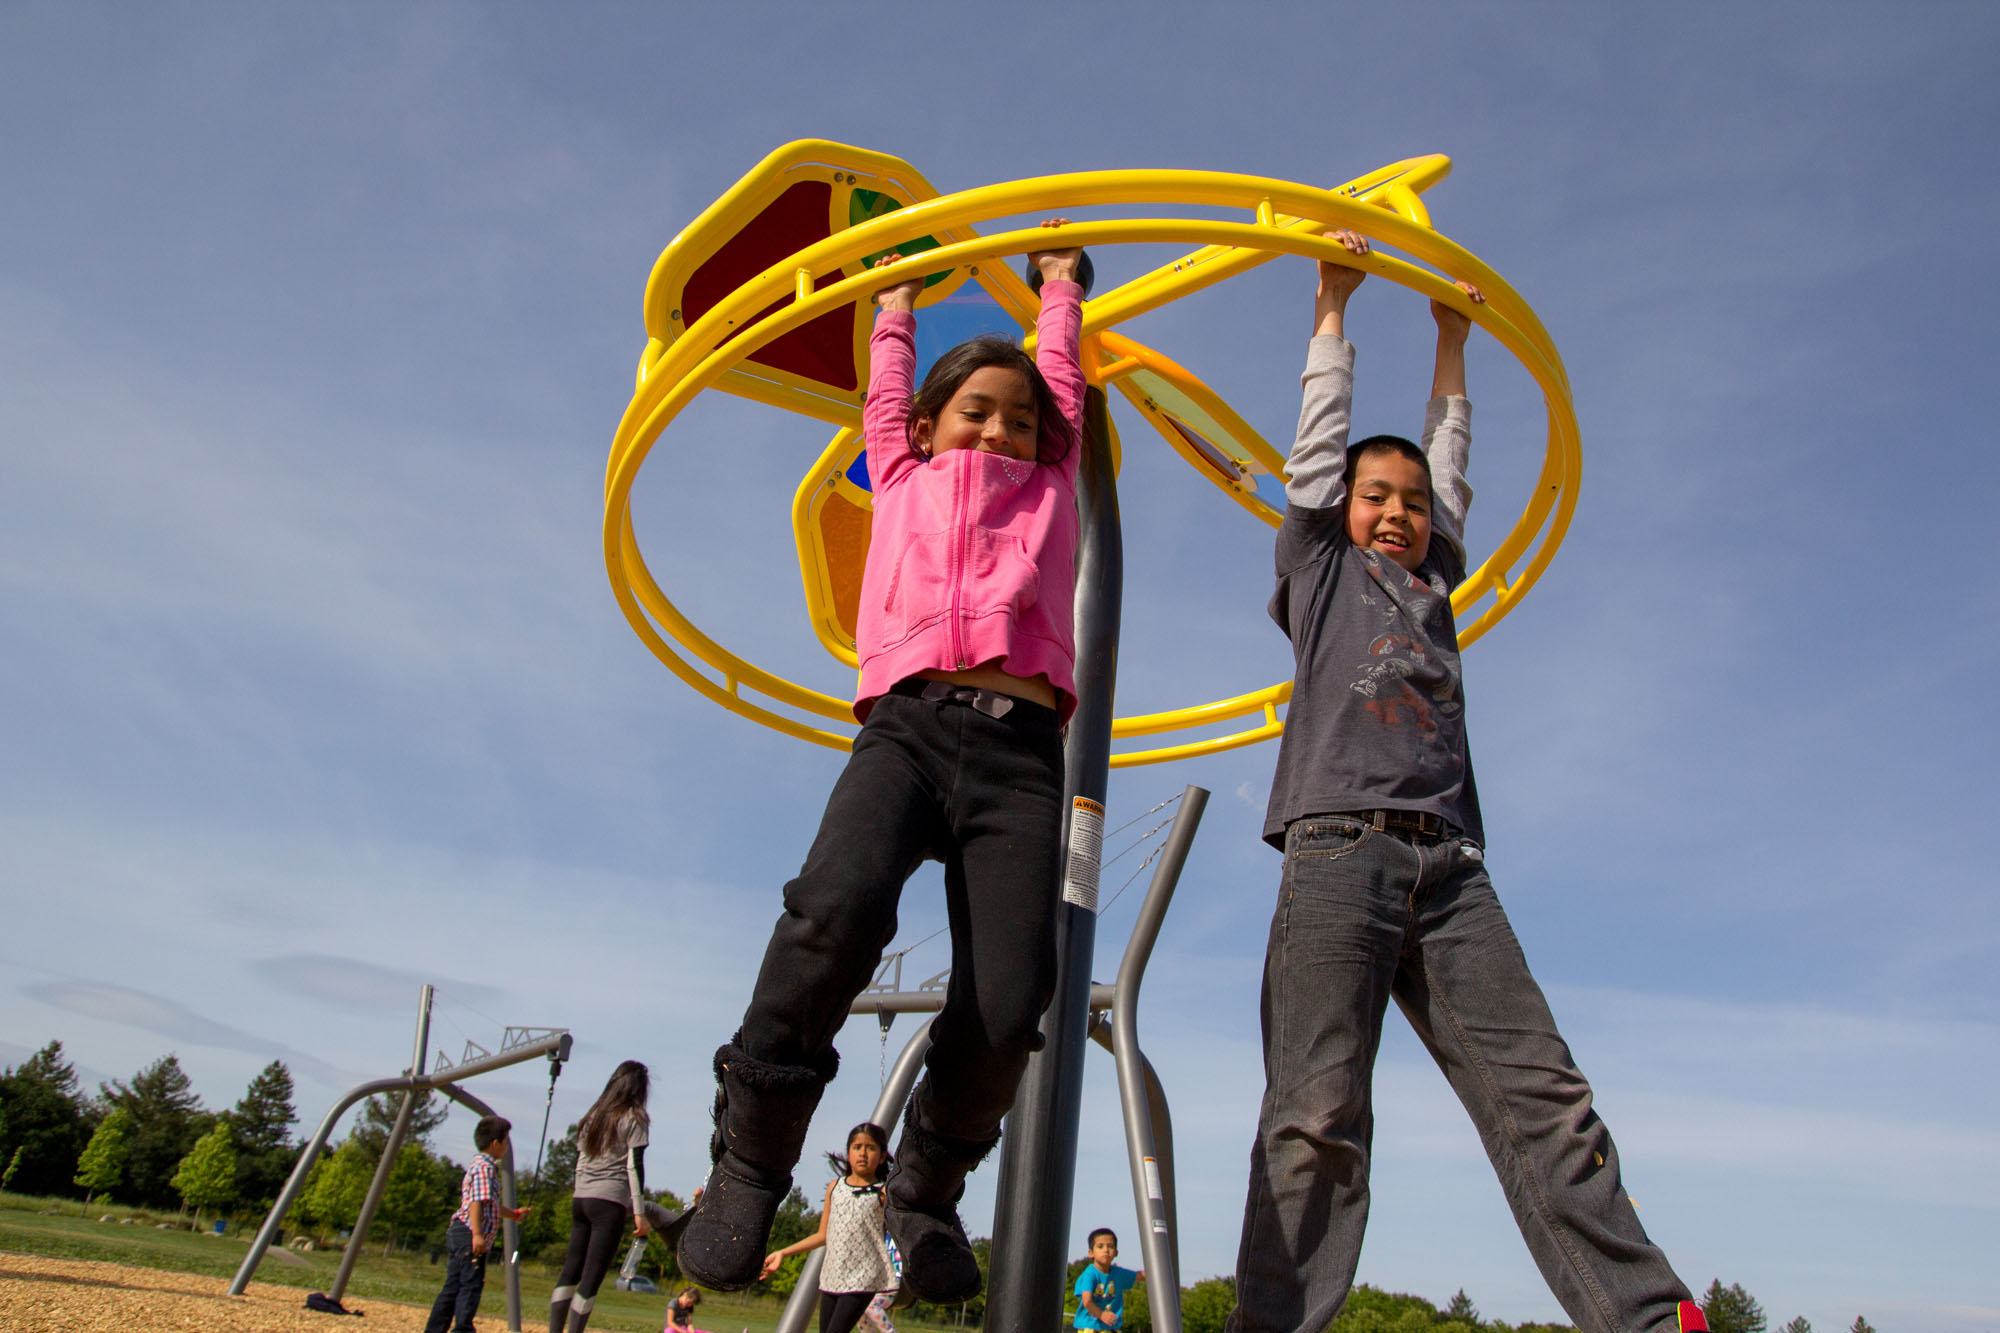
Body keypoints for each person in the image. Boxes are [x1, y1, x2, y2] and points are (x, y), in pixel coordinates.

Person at [1227, 230, 1708, 1333]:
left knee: (1549, 1101)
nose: (1394, 511)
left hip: (1448, 871)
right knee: (1316, 1112)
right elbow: (1314, 452)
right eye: (1372, 497)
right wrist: (1332, 306)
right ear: (1338, 514)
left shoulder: (1434, 578)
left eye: (1406, 501)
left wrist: (1451, 336)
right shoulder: (1317, 571)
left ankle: (1644, 1315)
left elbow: (1450, 463)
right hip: (1336, 848)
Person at [676, 220, 1089, 1307]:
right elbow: (885, 383)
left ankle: (926, 1184)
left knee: (1012, 998)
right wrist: (894, 301)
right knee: (830, 911)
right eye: (975, 413)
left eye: (1016, 418)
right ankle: (750, 1160)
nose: (999, 430)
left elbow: (1061, 388)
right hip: (904, 730)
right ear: (921, 425)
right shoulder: (900, 470)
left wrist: (1058, 292)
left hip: (1019, 754)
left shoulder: (1051, 482)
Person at [550, 1060, 658, 1333]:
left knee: (569, 1271)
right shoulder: (635, 1117)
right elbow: (634, 1165)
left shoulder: (593, 1114)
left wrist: (579, 1190)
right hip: (608, 1202)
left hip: (581, 1199)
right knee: (590, 1278)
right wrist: (639, 1212)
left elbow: (580, 1159)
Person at [761, 1123, 898, 1333]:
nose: (863, 1153)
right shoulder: (836, 1188)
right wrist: (783, 1252)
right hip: (833, 1274)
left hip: (865, 1275)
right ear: (848, 1152)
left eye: (870, 1148)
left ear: (881, 1156)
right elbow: (822, 1235)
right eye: (857, 1147)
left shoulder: (884, 1192)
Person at [425, 1116, 531, 1333]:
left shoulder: (478, 1165)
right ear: (495, 1143)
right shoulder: (486, 1168)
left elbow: (488, 1204)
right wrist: (477, 1234)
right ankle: (462, 1329)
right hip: (468, 1234)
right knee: (470, 1286)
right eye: (506, 1141)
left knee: (453, 1286)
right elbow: (476, 1203)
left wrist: (513, 1214)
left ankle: (435, 1329)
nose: (506, 1148)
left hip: (460, 1232)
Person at [1072, 1227, 1139, 1330]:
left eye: (1110, 1246)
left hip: (1110, 1327)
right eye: (1100, 1246)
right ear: (1091, 1253)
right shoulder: (1090, 1274)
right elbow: (1087, 1301)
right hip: (1090, 1326)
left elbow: (1141, 1276)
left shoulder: (1119, 1273)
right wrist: (1101, 1314)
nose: (1106, 1250)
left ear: (1116, 1252)